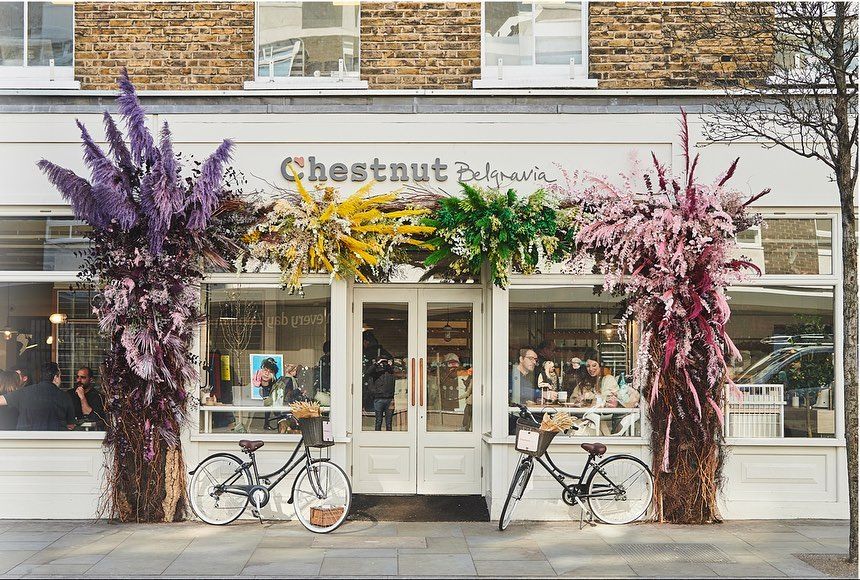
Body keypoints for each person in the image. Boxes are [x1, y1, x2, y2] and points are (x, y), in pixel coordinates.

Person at [0, 362, 75, 431]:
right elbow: (70, 425)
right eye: (60, 376)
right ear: (56, 377)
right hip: (55, 442)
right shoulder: (65, 396)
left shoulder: (23, 392)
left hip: (26, 441)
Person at [362, 331, 395, 431]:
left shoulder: (365, 354)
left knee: (377, 421)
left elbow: (366, 374)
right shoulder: (385, 354)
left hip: (374, 394)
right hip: (387, 395)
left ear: (365, 342)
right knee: (388, 423)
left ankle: (376, 438)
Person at [69, 366, 106, 430]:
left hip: (89, 434)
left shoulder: (97, 396)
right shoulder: (70, 394)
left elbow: (90, 415)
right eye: (77, 377)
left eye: (83, 377)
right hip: (70, 432)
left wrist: (82, 397)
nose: (79, 380)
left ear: (91, 380)